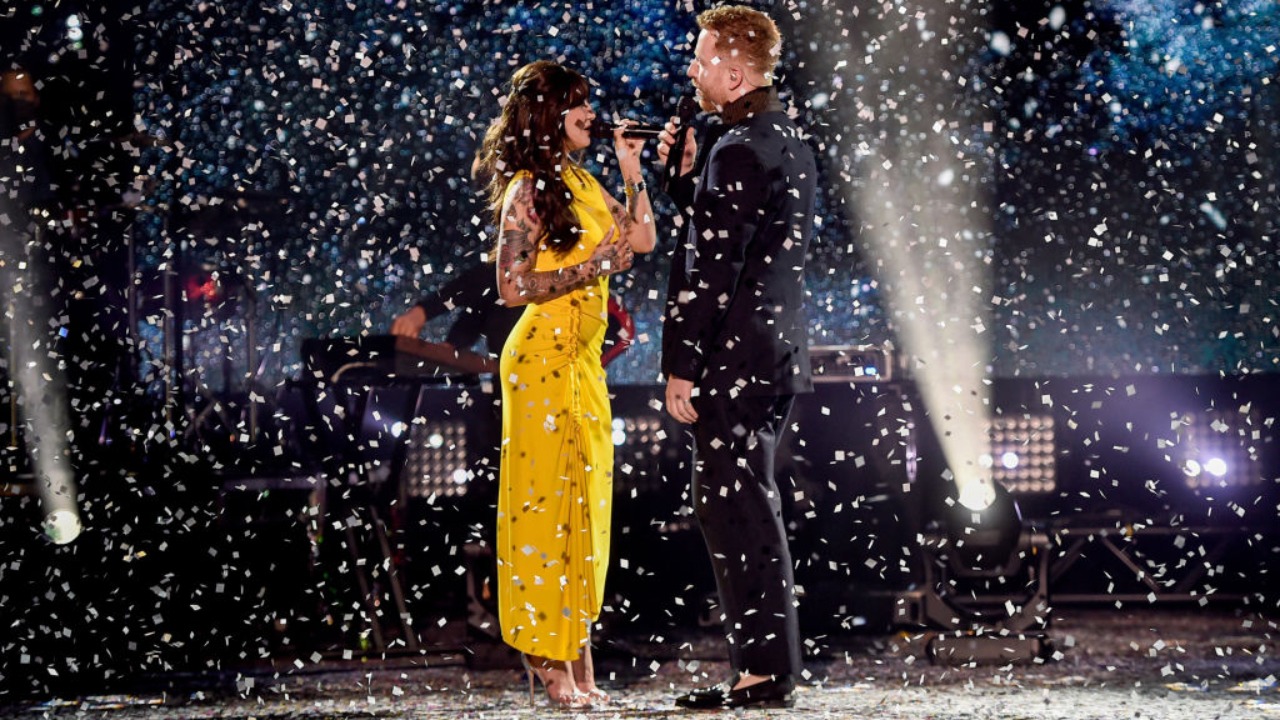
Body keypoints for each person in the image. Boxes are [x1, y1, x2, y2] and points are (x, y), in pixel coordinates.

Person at [474, 59, 656, 709]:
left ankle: (579, 663)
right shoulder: (529, 187)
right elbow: (511, 286)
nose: (589, 113)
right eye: (577, 104)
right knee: (545, 516)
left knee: (586, 516)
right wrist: (589, 268)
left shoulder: (583, 180)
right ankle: (550, 665)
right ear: (551, 115)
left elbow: (640, 239)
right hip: (540, 363)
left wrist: (631, 166)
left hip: (581, 367)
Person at [656, 5, 817, 710]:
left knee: (735, 510)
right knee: (752, 505)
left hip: (734, 356)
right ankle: (767, 666)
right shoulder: (782, 137)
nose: (691, 69)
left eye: (699, 57)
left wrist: (681, 363)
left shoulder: (739, 146)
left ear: (730, 68)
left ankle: (763, 672)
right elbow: (743, 238)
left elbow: (711, 269)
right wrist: (682, 182)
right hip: (773, 352)